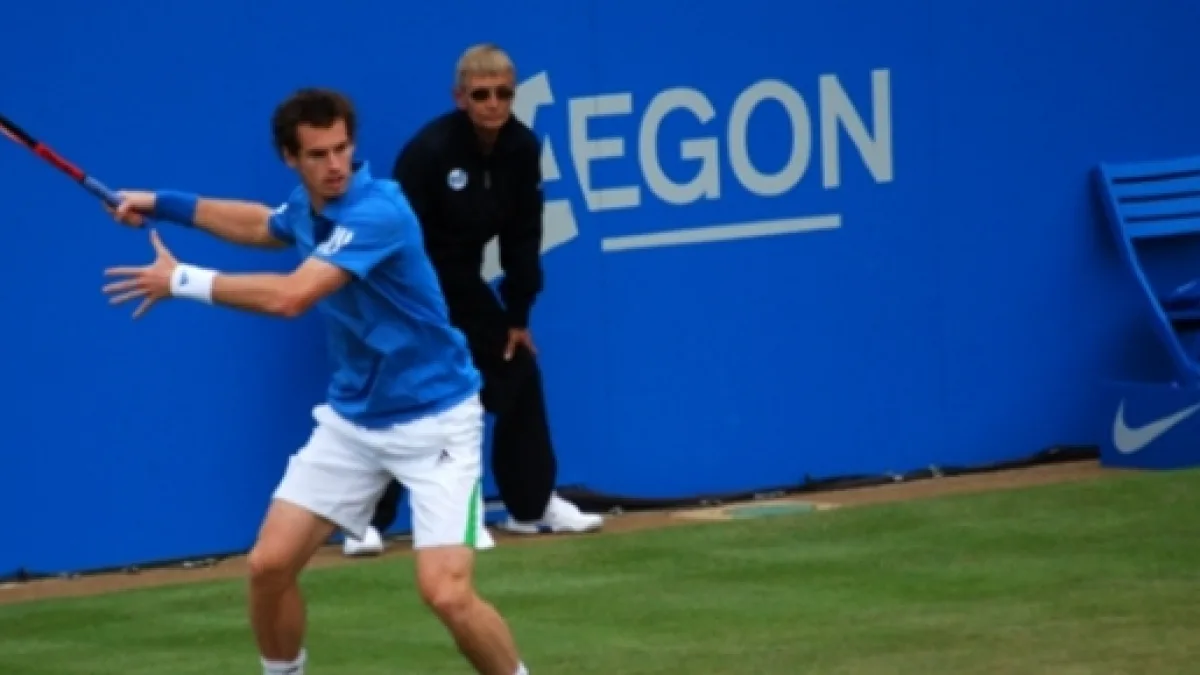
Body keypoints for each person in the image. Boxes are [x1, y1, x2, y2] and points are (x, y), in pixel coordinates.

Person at [100, 88, 531, 675]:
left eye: (342, 149)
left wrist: (182, 280)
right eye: (318, 154)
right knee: (269, 566)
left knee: (447, 594)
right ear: (290, 158)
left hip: (436, 421)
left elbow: (291, 297)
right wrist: (160, 203)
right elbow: (262, 224)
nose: (335, 165)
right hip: (355, 420)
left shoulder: (378, 210)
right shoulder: (307, 208)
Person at [341, 43, 602, 557]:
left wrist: (517, 314)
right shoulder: (429, 152)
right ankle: (365, 522)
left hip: (462, 281)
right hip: (404, 285)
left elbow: (524, 237)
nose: (494, 104)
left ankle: (530, 506)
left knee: (516, 365)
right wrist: (406, 316)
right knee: (406, 390)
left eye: (504, 93)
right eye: (481, 94)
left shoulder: (521, 148)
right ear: (460, 98)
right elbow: (395, 237)